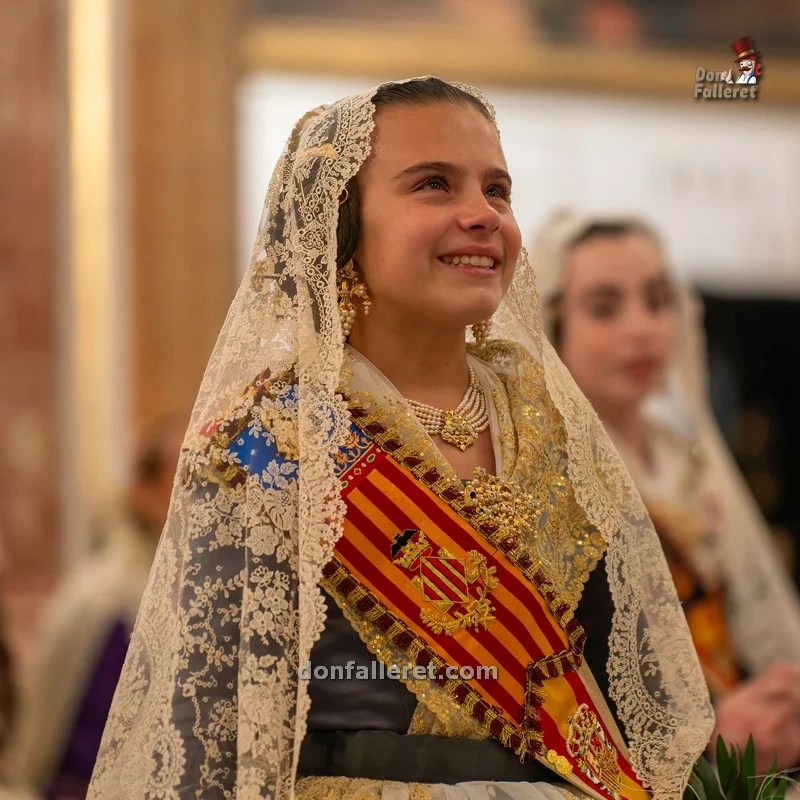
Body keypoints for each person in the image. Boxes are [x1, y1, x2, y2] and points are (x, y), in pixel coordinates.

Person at [87, 79, 713, 800]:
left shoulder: (553, 419)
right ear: (340, 228)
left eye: (497, 190)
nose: (482, 215)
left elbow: (631, 690)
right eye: (434, 185)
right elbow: (208, 729)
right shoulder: (267, 438)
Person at [531, 212, 800, 771]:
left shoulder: (691, 459)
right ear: (553, 325)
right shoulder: (552, 475)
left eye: (656, 300)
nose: (642, 328)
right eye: (605, 307)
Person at [12, 417, 184, 800]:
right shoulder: (97, 600)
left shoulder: (217, 591)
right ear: (142, 493)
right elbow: (51, 741)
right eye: (181, 474)